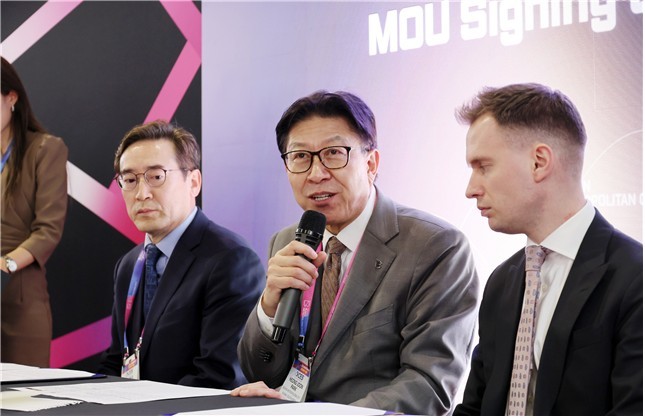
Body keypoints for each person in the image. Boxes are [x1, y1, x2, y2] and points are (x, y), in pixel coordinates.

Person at [232, 91, 479, 415]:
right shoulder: (287, 241)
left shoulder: (435, 246)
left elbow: (428, 385)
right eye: (300, 156)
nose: (316, 173)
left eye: (334, 153)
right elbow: (259, 371)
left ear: (371, 163)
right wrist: (268, 306)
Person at [453, 83, 643, 415]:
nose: (471, 189)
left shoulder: (634, 277)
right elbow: (474, 408)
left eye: (483, 166)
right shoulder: (501, 282)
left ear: (539, 162)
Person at [98, 120, 264, 389]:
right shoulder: (128, 264)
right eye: (129, 180)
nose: (141, 193)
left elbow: (219, 375)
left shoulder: (231, 260)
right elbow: (118, 359)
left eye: (156, 177)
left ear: (194, 182)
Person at [1, 57, 68, 367]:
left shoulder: (45, 148)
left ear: (11, 97)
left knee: (22, 390)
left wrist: (7, 264)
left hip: (20, 296)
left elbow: (48, 230)